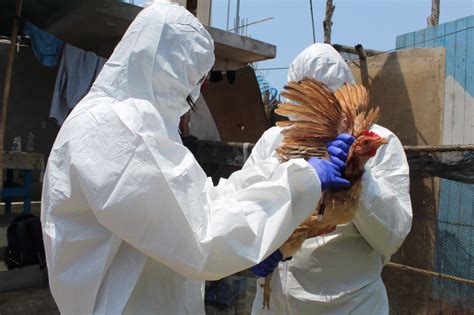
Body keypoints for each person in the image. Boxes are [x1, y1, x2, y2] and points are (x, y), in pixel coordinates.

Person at [40, 3, 351, 314]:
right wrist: (302, 182)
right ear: (168, 65)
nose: (197, 92)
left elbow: (201, 201)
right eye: (195, 76)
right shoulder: (115, 127)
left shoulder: (139, 122)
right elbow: (202, 236)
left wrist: (280, 185)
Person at [250, 43, 413, 314]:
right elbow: (249, 203)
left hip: (351, 305)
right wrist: (254, 247)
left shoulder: (378, 142)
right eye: (307, 99)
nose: (316, 110)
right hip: (275, 300)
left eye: (324, 100)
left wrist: (356, 172)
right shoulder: (273, 141)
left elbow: (392, 235)